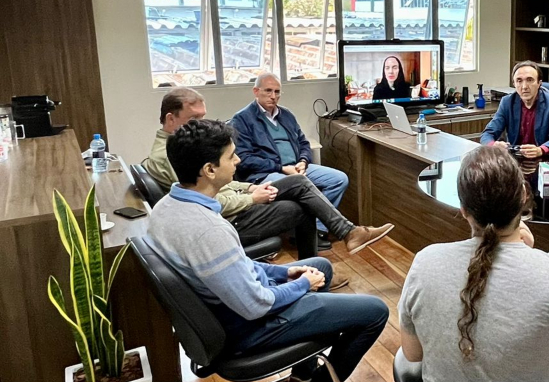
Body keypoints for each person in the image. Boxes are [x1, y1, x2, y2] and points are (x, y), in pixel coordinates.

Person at [147, 119, 389, 382]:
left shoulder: (165, 208)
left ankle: (302, 378)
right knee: (375, 311)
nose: (238, 161)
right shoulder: (208, 230)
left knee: (320, 266)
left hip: (226, 308)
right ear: (209, 170)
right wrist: (301, 285)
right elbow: (255, 304)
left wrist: (283, 273)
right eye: (231, 156)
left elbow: (235, 268)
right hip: (246, 328)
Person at [397, 146, 549, 382]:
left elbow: (412, 354)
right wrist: (530, 253)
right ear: (524, 196)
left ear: (464, 210)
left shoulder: (425, 263)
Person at [144, 88, 392, 260]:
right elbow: (210, 200)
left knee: (300, 183)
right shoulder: (169, 155)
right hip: (224, 221)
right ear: (170, 117)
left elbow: (214, 185)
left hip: (238, 199)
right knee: (301, 203)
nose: (201, 123)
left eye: (202, 117)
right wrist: (252, 196)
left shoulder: (183, 145)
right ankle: (322, 261)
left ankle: (345, 236)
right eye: (194, 118)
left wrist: (248, 189)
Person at [231, 73, 352, 240]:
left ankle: (316, 229)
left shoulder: (286, 114)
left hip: (296, 168)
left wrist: (303, 161)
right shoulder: (242, 119)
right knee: (300, 187)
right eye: (268, 91)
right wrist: (280, 168)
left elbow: (303, 143)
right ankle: (307, 231)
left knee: (339, 179)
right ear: (256, 91)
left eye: (277, 92)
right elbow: (244, 160)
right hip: (266, 174)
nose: (273, 97)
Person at [480, 60, 549, 159]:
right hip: (515, 161)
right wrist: (493, 145)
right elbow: (487, 134)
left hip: (543, 160)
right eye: (519, 80)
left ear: (539, 83)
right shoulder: (507, 102)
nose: (524, 86)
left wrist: (540, 150)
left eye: (530, 80)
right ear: (514, 83)